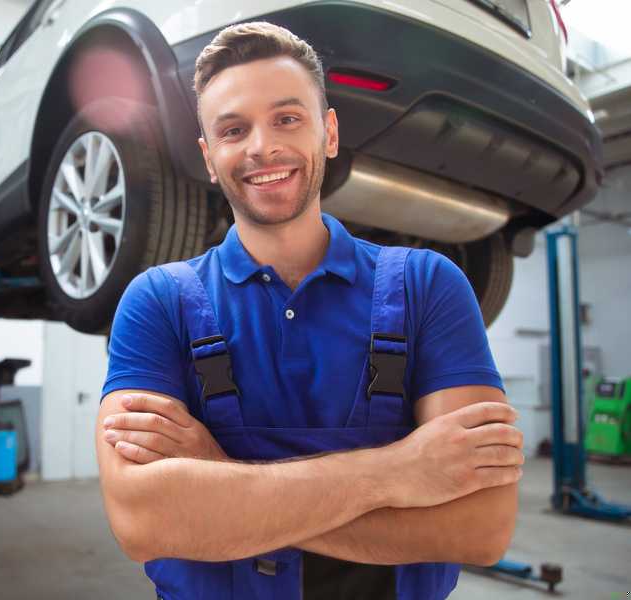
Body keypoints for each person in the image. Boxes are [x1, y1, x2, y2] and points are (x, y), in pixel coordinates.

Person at [96, 21, 523, 600]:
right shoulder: (157, 302)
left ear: (328, 132)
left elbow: (478, 529)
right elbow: (145, 523)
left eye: (287, 119)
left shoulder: (429, 287)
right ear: (208, 156)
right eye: (232, 128)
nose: (260, 147)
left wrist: (220, 475)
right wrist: (400, 472)